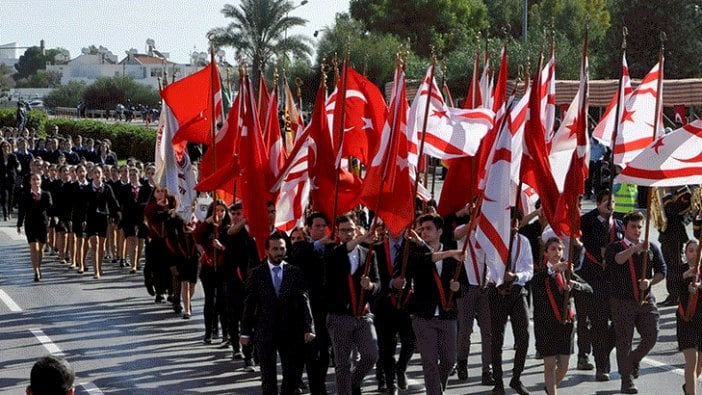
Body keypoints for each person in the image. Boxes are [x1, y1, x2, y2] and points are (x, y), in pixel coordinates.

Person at [393, 213, 465, 395]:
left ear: (439, 231)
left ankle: (437, 387)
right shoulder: (415, 252)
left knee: (449, 360)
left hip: (447, 314)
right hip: (423, 316)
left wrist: (458, 287)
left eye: (428, 228)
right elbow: (424, 260)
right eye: (422, 228)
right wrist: (449, 253)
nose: (424, 232)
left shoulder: (454, 255)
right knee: (430, 362)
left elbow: (464, 284)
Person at [240, 234, 315, 395]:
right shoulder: (257, 273)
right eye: (275, 249)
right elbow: (250, 305)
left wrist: (308, 327)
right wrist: (245, 332)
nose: (279, 252)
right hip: (265, 331)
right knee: (268, 377)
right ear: (267, 251)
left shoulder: (294, 272)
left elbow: (303, 302)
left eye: (282, 248)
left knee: (291, 375)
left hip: (289, 332)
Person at [605, 210, 666, 394]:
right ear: (624, 228)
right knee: (624, 341)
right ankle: (626, 380)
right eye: (633, 227)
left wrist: (650, 281)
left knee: (652, 334)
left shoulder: (651, 248)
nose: (637, 231)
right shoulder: (615, 246)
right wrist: (634, 249)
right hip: (622, 301)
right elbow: (617, 260)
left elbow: (662, 270)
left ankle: (633, 361)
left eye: (640, 227)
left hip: (645, 300)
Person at [325, 214, 379, 395]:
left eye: (351, 229)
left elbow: (378, 284)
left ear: (356, 228)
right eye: (344, 231)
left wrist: (370, 286)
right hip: (340, 316)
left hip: (363, 315)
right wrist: (362, 238)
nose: (348, 233)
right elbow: (342, 253)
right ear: (338, 233)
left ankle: (354, 383)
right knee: (343, 364)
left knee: (371, 355)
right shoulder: (332, 253)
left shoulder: (369, 253)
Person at [532, 237, 592, 395]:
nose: (557, 252)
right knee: (550, 363)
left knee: (564, 366)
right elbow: (535, 282)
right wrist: (554, 270)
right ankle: (552, 392)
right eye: (552, 249)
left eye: (559, 249)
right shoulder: (542, 273)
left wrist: (574, 285)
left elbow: (589, 289)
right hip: (546, 324)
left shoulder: (567, 271)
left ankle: (550, 387)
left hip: (565, 323)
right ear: (545, 253)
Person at [577, 190, 623, 381]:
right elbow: (577, 225)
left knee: (619, 323)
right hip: (593, 278)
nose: (610, 204)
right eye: (605, 201)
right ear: (598, 204)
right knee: (598, 324)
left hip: (614, 280)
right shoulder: (590, 222)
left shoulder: (619, 224)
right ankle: (601, 365)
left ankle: (604, 351)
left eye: (612, 201)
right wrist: (598, 212)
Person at [489, 208, 533, 395]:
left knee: (523, 336)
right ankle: (498, 381)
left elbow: (529, 269)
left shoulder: (524, 242)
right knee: (496, 339)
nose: (514, 224)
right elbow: (488, 266)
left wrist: (515, 276)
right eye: (511, 220)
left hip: (516, 292)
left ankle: (516, 377)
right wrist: (499, 279)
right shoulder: (493, 240)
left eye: (517, 220)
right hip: (497, 292)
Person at [194, 200, 230, 343]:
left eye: (222, 211)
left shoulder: (228, 229)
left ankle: (226, 333)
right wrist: (207, 223)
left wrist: (221, 247)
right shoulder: (207, 227)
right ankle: (209, 332)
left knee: (223, 301)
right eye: (217, 210)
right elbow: (196, 236)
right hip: (208, 268)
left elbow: (232, 250)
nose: (219, 214)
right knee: (210, 301)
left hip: (223, 269)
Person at [659, 187, 693, 306]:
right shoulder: (672, 193)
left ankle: (677, 295)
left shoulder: (685, 194)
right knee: (670, 267)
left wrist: (667, 194)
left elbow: (671, 210)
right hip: (666, 235)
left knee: (677, 267)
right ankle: (671, 294)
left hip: (676, 236)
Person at [16, 173, 52, 282]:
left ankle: (39, 267)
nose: (35, 181)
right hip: (30, 224)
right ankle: (35, 270)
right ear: (30, 182)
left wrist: (53, 218)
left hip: (42, 223)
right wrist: (19, 224)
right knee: (34, 248)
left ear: (40, 181)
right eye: (33, 179)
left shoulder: (46, 194)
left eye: (37, 179)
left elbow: (50, 208)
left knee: (40, 249)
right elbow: (22, 211)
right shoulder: (25, 194)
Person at [677, 240, 702, 395]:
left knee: (700, 364)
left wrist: (699, 286)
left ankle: (688, 387)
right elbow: (674, 286)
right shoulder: (681, 270)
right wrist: (686, 277)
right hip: (686, 319)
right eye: (690, 250)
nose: (694, 253)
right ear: (686, 253)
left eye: (697, 250)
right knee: (691, 361)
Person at [0, 140, 20, 221]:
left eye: (7, 146)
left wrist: (19, 167)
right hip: (2, 179)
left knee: (11, 197)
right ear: (1, 148)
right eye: (4, 146)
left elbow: (17, 163)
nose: (6, 148)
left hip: (11, 178)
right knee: (4, 197)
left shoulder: (13, 156)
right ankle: (5, 215)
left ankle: (9, 212)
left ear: (9, 147)